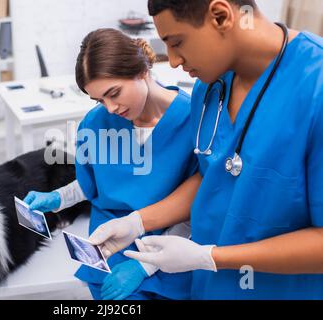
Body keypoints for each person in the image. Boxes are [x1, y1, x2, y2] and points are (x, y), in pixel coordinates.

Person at [91, 0, 323, 300]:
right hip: (209, 289)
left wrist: (211, 257)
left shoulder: (314, 87)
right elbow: (211, 176)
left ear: (220, 16)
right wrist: (136, 223)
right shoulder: (209, 87)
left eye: (177, 43)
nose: (172, 61)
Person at [24, 28, 198, 300]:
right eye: (99, 100)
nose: (111, 108)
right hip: (108, 246)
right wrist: (57, 198)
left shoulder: (193, 121)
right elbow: (96, 182)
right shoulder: (96, 123)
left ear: (141, 71)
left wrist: (145, 264)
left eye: (114, 93)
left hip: (172, 245)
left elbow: (194, 207)